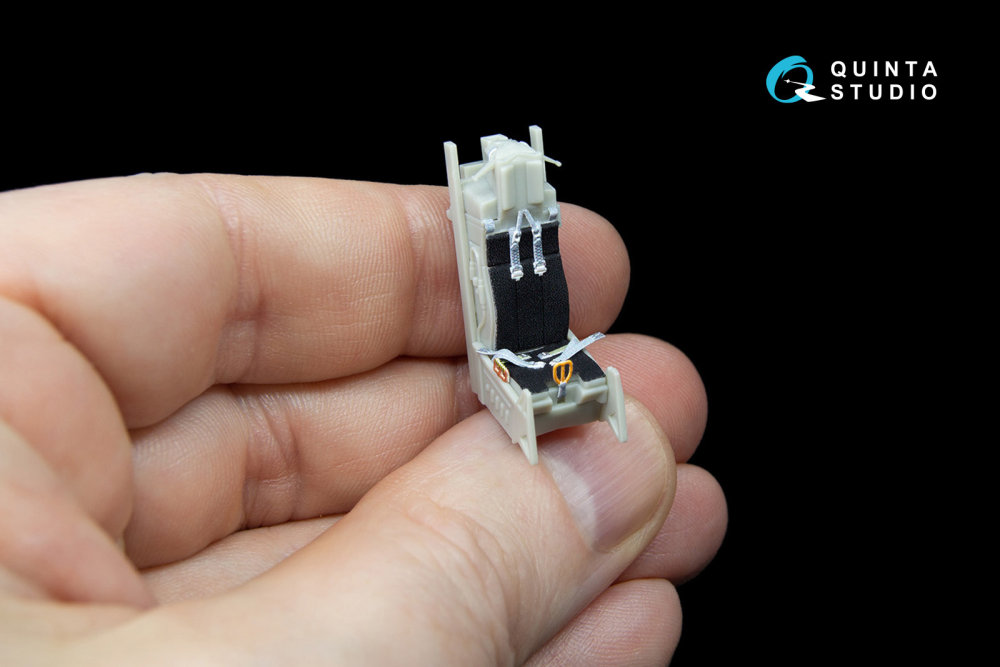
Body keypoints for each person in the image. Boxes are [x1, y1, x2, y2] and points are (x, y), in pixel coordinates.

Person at [0, 173, 726, 665]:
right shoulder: (495, 277)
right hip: (513, 353)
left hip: (539, 348)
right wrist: (481, 548)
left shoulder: (535, 251)